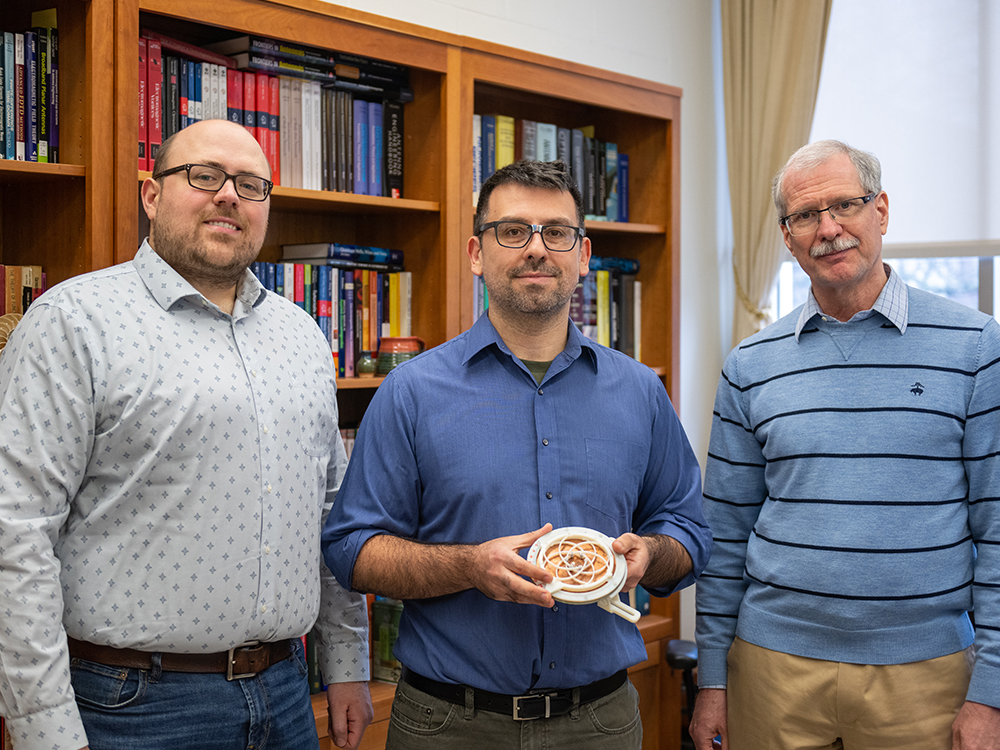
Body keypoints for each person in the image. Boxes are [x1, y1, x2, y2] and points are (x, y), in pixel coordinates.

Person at [0, 119, 372, 750]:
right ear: (151, 195)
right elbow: (16, 530)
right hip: (130, 708)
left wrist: (346, 662)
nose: (229, 195)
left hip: (286, 693)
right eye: (204, 176)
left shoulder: (302, 334)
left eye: (251, 185)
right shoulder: (73, 321)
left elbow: (330, 515)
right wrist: (43, 726)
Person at [321, 159, 712, 749]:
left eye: (556, 232)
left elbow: (690, 533)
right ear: (477, 253)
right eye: (512, 231)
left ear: (583, 255)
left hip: (601, 723)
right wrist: (467, 567)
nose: (536, 249)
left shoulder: (641, 392)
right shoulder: (411, 392)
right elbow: (352, 550)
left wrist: (650, 555)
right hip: (447, 725)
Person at [691, 139, 1000, 750]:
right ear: (786, 235)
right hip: (771, 667)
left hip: (926, 676)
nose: (828, 229)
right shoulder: (750, 365)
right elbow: (723, 536)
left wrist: (989, 691)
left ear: (880, 211)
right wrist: (712, 682)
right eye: (805, 215)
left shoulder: (976, 346)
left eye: (845, 206)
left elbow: (997, 530)